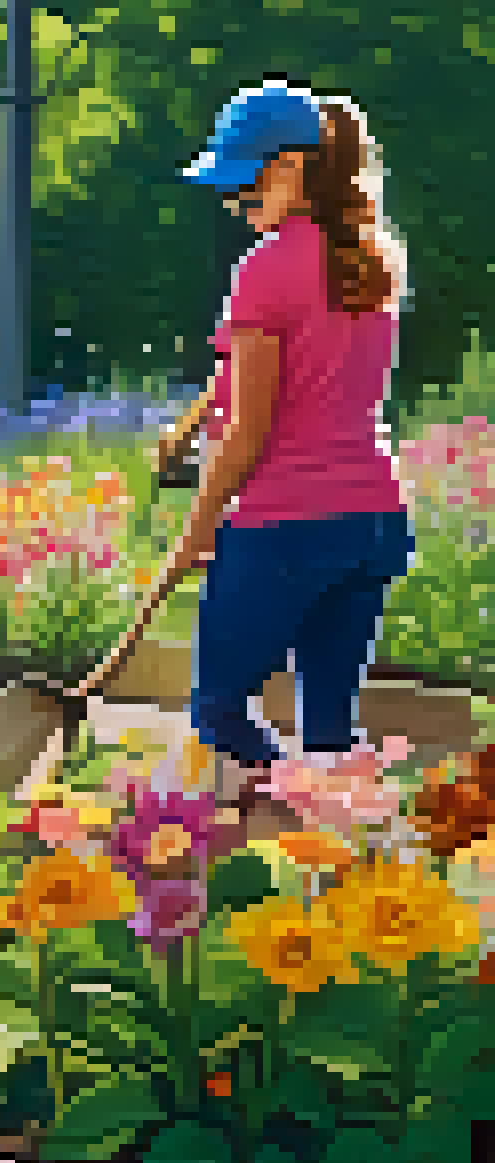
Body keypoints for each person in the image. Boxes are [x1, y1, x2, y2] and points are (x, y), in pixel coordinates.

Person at [157, 81, 413, 806]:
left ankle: (296, 802)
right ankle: (343, 845)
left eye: (247, 181)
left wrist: (197, 530)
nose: (239, 203)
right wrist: (193, 422)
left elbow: (251, 433)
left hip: (286, 525)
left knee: (219, 710)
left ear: (293, 167)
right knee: (330, 732)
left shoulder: (265, 270)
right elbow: (309, 379)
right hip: (371, 520)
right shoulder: (369, 261)